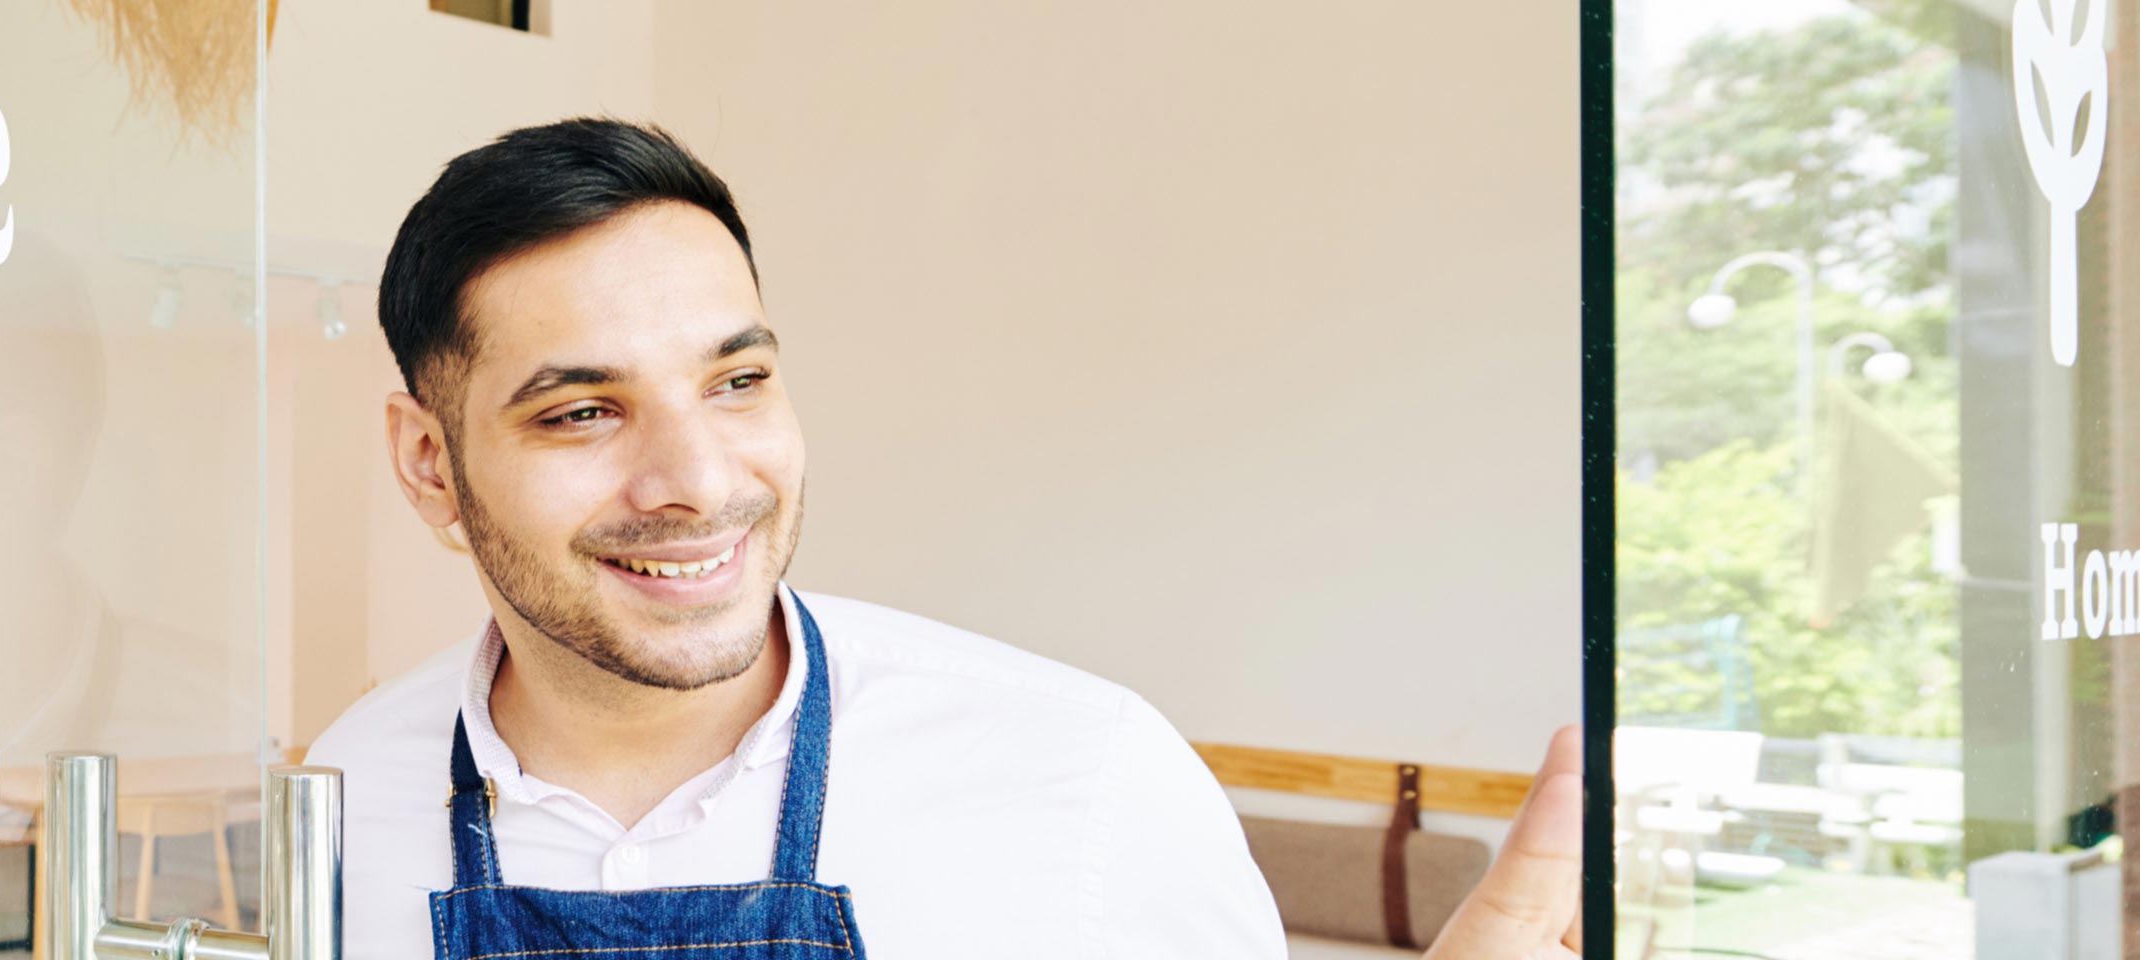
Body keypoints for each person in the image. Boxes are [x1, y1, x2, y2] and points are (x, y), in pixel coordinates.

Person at [301, 118, 1583, 960]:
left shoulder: (1086, 777)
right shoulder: (352, 793)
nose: (696, 480)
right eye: (584, 411)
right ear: (432, 465)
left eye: (737, 384)